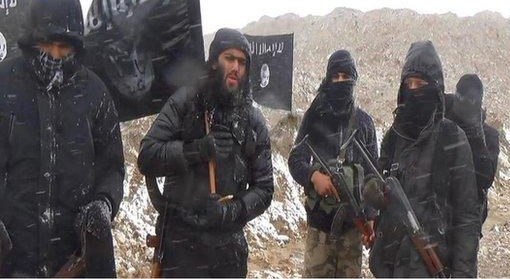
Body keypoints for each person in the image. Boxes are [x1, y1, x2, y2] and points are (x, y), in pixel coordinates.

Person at [0, 0, 125, 277]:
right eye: (47, 44)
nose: (56, 55)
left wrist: (104, 202)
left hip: (75, 264)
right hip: (12, 263)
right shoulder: (4, 84)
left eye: (65, 46)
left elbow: (113, 166)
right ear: (32, 39)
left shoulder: (95, 92)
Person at [137, 28, 274, 277]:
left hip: (228, 250)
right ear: (213, 62)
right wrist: (194, 151)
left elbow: (264, 188)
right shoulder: (186, 102)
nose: (235, 67)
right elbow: (148, 156)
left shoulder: (252, 121)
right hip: (181, 245)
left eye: (242, 62)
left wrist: (230, 211)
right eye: (229, 58)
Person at [366, 40, 480, 278]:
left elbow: (467, 216)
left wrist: (463, 273)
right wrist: (372, 192)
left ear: (435, 87)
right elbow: (375, 178)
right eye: (409, 84)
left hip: (433, 267)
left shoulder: (452, 138)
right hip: (390, 266)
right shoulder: (394, 136)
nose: (414, 89)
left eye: (421, 83)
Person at [288, 50, 378, 278]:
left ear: (354, 80)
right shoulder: (315, 116)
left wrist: (370, 218)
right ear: (328, 80)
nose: (340, 82)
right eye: (335, 77)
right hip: (320, 229)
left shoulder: (364, 123)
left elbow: (373, 176)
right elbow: (295, 160)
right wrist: (313, 177)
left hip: (352, 231)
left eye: (345, 77)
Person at [445, 74, 500, 228]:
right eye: (460, 97)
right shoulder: (443, 121)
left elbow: (486, 178)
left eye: (471, 100)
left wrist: (475, 135)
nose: (464, 103)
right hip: (436, 211)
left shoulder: (488, 135)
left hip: (467, 217)